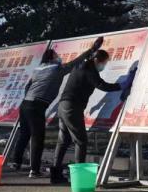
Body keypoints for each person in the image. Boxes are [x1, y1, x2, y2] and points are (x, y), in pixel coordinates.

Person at [9, 37, 104, 176]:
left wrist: (29, 99)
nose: (59, 57)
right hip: (37, 105)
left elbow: (27, 87)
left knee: (24, 134)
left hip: (25, 104)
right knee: (37, 137)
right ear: (52, 58)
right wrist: (93, 49)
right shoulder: (57, 69)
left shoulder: (38, 69)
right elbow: (77, 61)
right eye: (56, 55)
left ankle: (16, 162)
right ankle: (34, 170)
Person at [50, 48, 124, 184]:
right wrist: (122, 85)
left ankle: (55, 175)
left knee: (63, 141)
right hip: (72, 108)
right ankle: (79, 177)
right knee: (81, 141)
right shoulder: (89, 70)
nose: (103, 65)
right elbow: (102, 85)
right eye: (104, 62)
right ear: (96, 60)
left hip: (63, 106)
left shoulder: (80, 66)